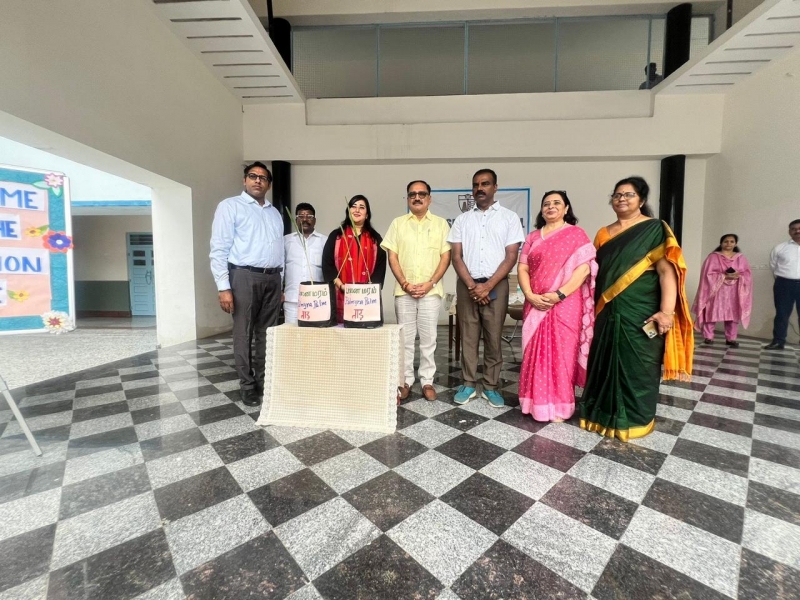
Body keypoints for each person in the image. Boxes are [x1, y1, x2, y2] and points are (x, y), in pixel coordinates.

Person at [580, 176, 693, 441]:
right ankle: (599, 416)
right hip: (606, 312)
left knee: (639, 366)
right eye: (617, 195)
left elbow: (666, 272)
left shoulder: (655, 229)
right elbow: (596, 274)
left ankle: (636, 420)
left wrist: (666, 312)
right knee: (603, 362)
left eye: (629, 194)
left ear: (641, 200)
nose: (622, 199)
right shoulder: (603, 234)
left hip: (642, 311)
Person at [448, 169, 525, 408]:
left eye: (485, 183)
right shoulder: (462, 220)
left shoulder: (509, 218)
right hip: (467, 285)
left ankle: (491, 386)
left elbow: (511, 256)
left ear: (495, 187)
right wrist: (473, 286)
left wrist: (488, 286)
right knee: (469, 337)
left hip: (496, 285)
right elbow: (456, 257)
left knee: (493, 337)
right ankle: (469, 383)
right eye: (476, 185)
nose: (479, 188)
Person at [518, 191, 597, 422]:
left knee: (562, 353)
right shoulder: (533, 237)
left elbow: (584, 269)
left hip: (565, 304)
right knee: (534, 353)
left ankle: (561, 407)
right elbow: (522, 268)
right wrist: (530, 295)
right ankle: (533, 403)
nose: (550, 207)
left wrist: (558, 294)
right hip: (535, 302)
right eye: (546, 204)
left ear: (566, 208)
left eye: (556, 203)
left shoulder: (576, 234)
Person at [209, 161, 284, 407]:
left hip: (273, 278)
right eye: (253, 176)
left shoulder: (274, 213)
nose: (258, 180)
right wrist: (223, 287)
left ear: (268, 184)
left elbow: (280, 250)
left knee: (267, 333)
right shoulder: (230, 206)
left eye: (263, 178)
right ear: (244, 180)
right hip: (244, 276)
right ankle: (247, 384)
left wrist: (281, 284)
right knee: (244, 333)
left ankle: (263, 381)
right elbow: (219, 248)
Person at [382, 180, 451, 402]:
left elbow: (446, 257)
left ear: (429, 198)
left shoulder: (441, 224)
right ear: (408, 198)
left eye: (422, 194)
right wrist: (404, 283)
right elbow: (392, 256)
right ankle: (405, 381)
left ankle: (427, 380)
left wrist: (431, 283)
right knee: (406, 339)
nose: (417, 197)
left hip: (431, 291)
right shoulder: (397, 224)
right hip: (405, 292)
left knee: (429, 338)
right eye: (412, 194)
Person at [322, 195, 387, 324]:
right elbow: (327, 264)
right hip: (340, 292)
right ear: (348, 211)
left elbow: (380, 267)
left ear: (367, 215)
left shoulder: (375, 239)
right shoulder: (336, 236)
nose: (357, 210)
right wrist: (341, 286)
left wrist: (366, 290)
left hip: (366, 298)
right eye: (353, 206)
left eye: (361, 207)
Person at [692, 234, 752, 348]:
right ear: (721, 243)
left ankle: (731, 338)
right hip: (716, 291)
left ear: (736, 243)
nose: (729, 244)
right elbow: (707, 274)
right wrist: (723, 276)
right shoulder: (713, 257)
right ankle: (708, 337)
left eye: (732, 241)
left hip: (734, 292)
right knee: (711, 313)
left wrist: (738, 275)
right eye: (726, 241)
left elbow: (747, 274)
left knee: (733, 315)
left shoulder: (741, 258)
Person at [283, 203, 326, 324]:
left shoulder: (324, 241)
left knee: (315, 333)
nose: (305, 219)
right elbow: (280, 269)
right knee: (291, 333)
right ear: (296, 219)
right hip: (292, 300)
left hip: (317, 300)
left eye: (309, 216)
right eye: (301, 216)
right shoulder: (286, 241)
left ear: (315, 220)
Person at [764, 219, 800, 350]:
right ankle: (778, 341)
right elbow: (773, 266)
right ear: (789, 231)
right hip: (784, 284)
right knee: (781, 314)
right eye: (794, 229)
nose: (797, 231)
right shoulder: (780, 248)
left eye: (799, 228)